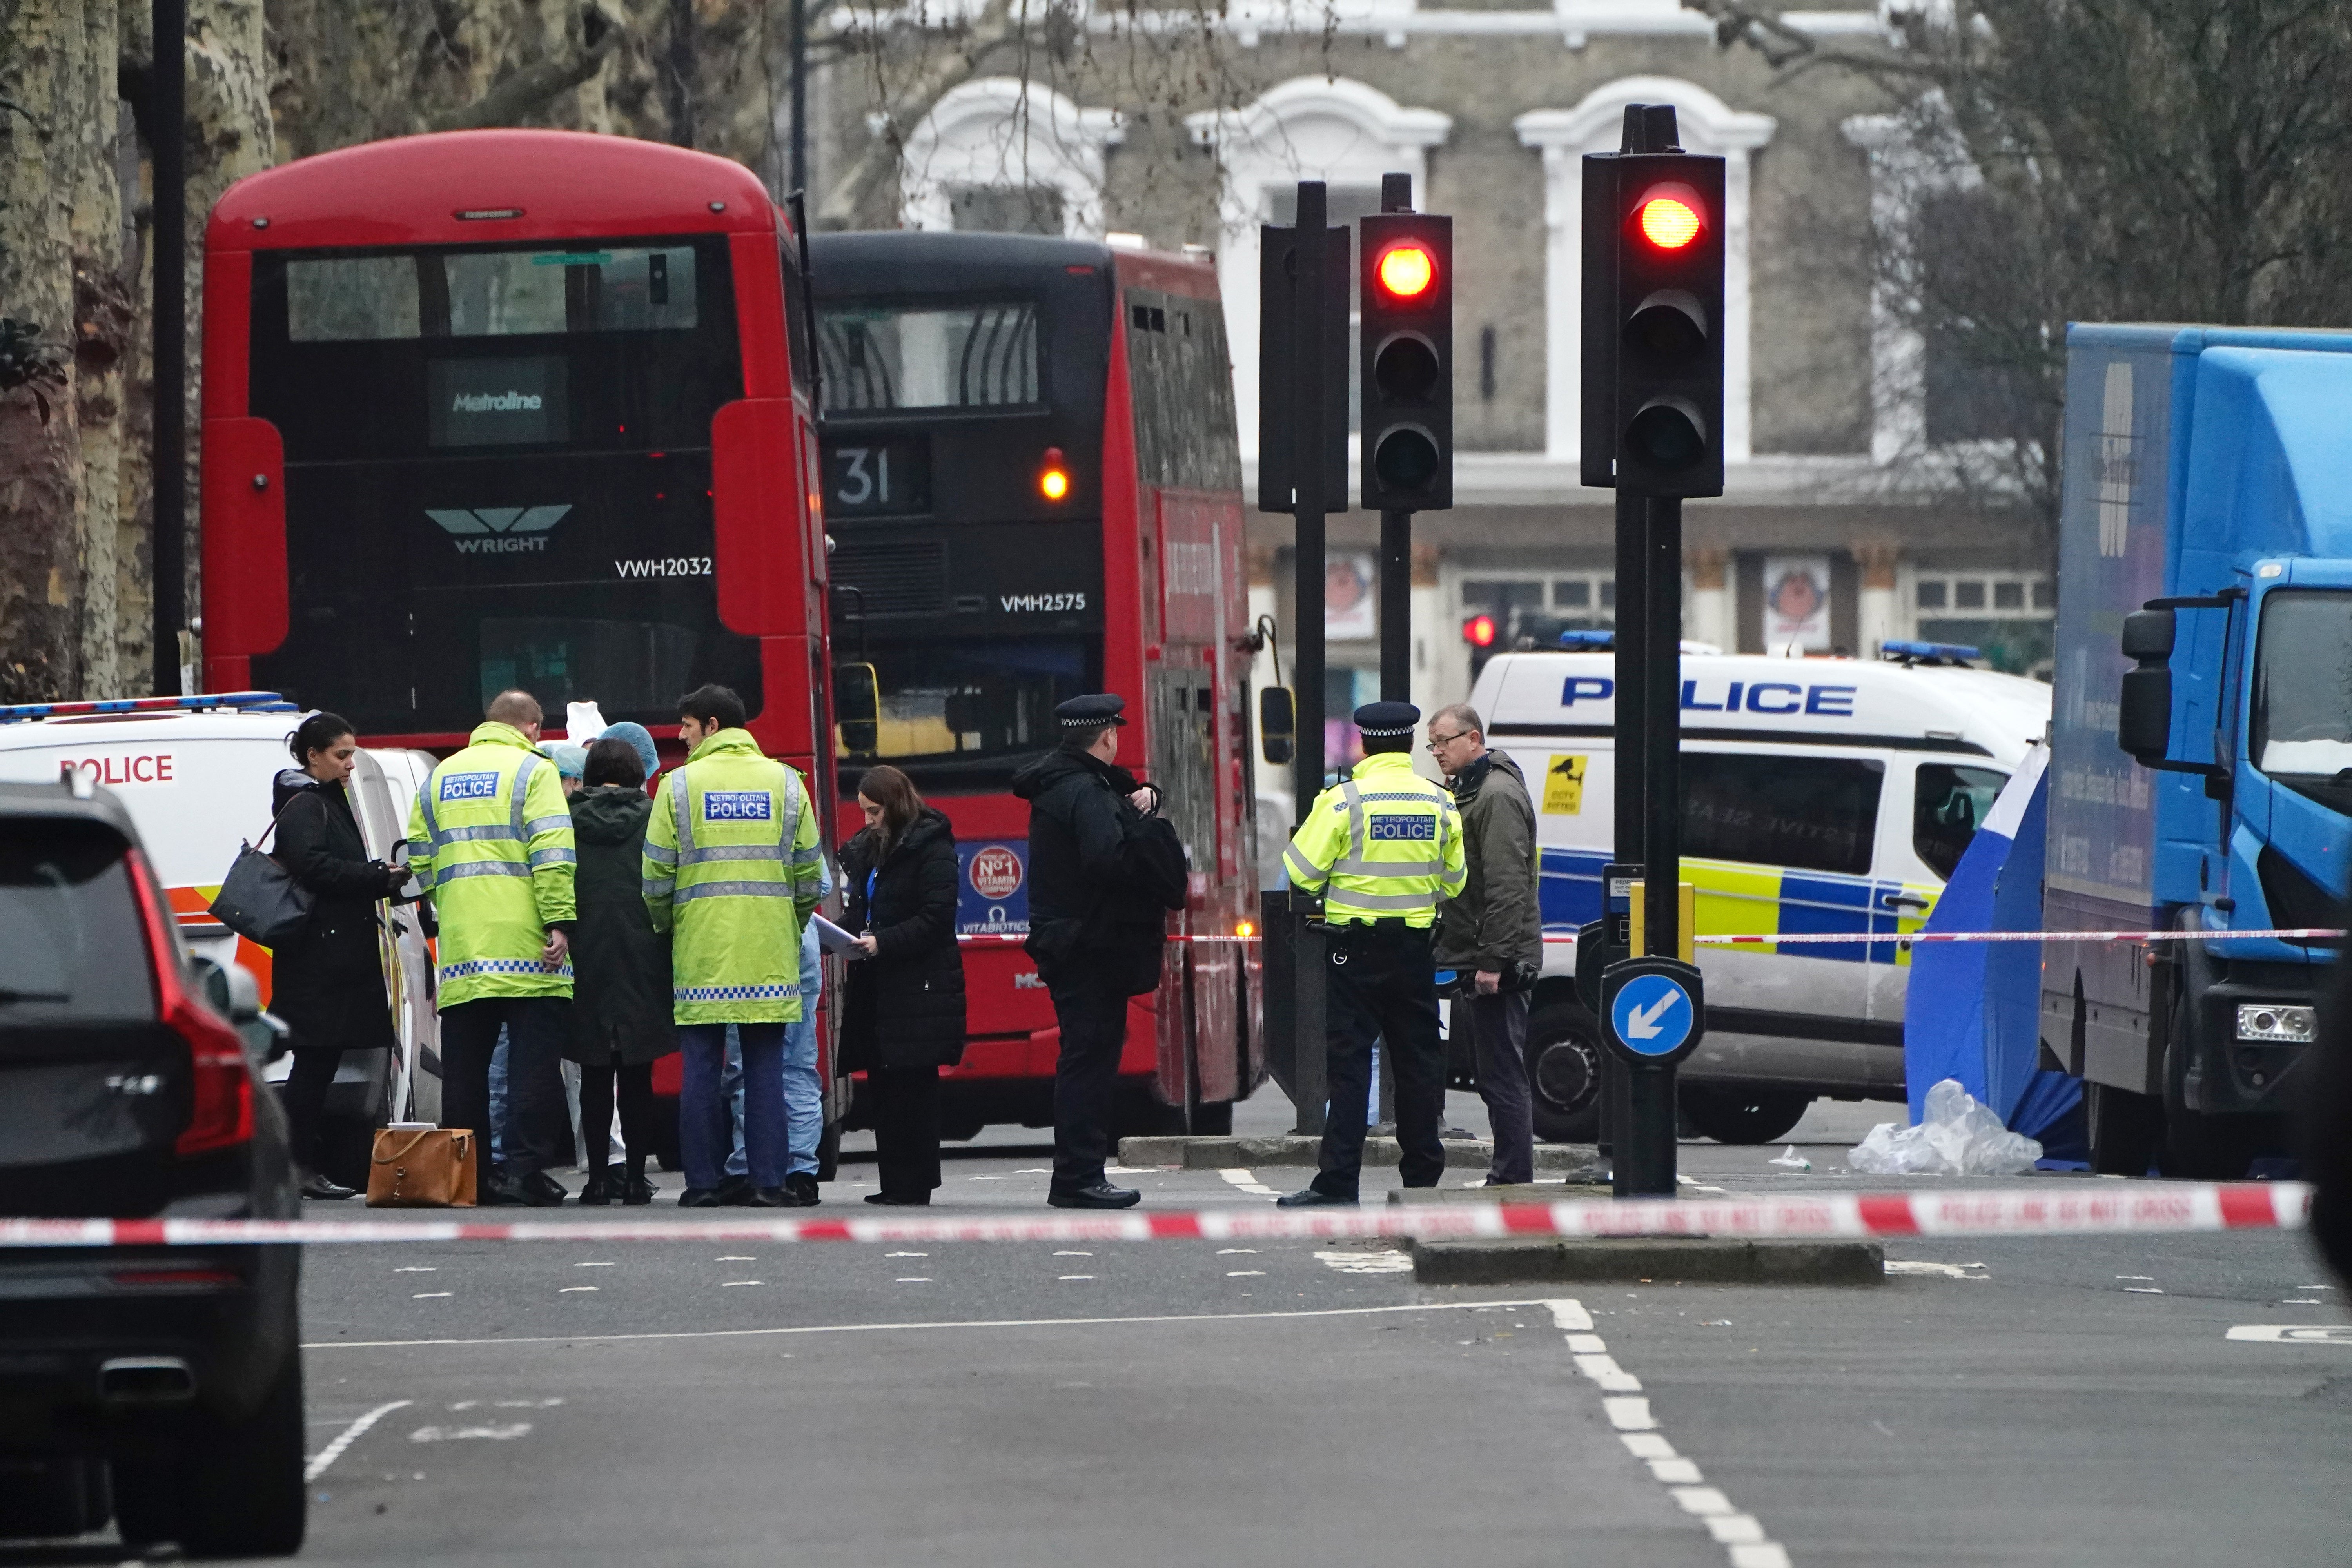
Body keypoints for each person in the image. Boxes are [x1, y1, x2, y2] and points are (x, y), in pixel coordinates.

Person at [1276, 701, 1466, 1207]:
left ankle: (1339, 1181)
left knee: (1350, 1066)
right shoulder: (1439, 802)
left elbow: (1301, 872)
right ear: (1408, 745)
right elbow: (1455, 880)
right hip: (1414, 952)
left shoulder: (1342, 801)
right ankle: (1423, 1181)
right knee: (1418, 1065)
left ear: (1364, 744)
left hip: (1353, 952)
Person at [642, 683, 824, 1207]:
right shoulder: (789, 785)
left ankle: (703, 1185)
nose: (681, 736)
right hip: (768, 950)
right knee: (767, 1069)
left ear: (714, 726)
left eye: (688, 727)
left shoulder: (676, 787)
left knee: (700, 1068)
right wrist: (789, 925)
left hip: (702, 949)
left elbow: (655, 876)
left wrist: (669, 926)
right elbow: (810, 876)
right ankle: (769, 1182)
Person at [1011, 693, 1187, 1209]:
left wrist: (1143, 801)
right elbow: (1107, 859)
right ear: (1108, 736)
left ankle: (1080, 1174)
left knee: (1085, 1057)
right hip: (1090, 947)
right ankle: (1079, 1177)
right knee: (1089, 1062)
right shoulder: (1084, 792)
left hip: (1073, 943)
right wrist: (1149, 834)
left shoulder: (1067, 785)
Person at [406, 688, 577, 1207]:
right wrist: (559, 921)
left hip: (463, 946)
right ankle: (524, 1173)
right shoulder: (535, 771)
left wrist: (452, 900)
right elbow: (551, 853)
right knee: (530, 1067)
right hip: (526, 945)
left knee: (464, 1073)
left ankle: (469, 1180)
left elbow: (420, 853)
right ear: (532, 728)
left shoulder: (441, 776)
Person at [270, 712, 409, 1200]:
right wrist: (374, 876)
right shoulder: (306, 802)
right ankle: (296, 1166)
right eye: (342, 754)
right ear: (314, 756)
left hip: (329, 954)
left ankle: (302, 1165)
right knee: (313, 1065)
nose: (351, 763)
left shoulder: (321, 798)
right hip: (320, 960)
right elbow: (312, 866)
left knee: (321, 1063)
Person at [839, 764, 967, 1205]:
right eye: (864, 812)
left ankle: (915, 1183)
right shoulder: (874, 851)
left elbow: (936, 918)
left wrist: (882, 941)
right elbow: (866, 910)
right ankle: (894, 1181)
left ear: (895, 806)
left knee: (914, 1088)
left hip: (919, 985)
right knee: (885, 1086)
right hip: (880, 983)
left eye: (874, 811)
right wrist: (838, 934)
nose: (868, 820)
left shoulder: (932, 848)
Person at [1427, 702, 1544, 1187]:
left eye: (1444, 742)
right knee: (1493, 1071)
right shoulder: (1473, 791)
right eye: (1432, 745)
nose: (1437, 752)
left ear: (1474, 739)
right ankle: (1508, 1171)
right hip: (1476, 952)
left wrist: (1493, 960)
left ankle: (1513, 1176)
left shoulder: (1494, 795)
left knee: (1502, 1074)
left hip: (1496, 958)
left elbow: (1506, 885)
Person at [564, 736, 675, 1206]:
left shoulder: (567, 817)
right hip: (641, 949)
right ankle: (634, 1178)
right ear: (636, 772)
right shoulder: (653, 817)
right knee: (636, 1073)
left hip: (584, 950)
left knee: (592, 1072)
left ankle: (596, 1180)